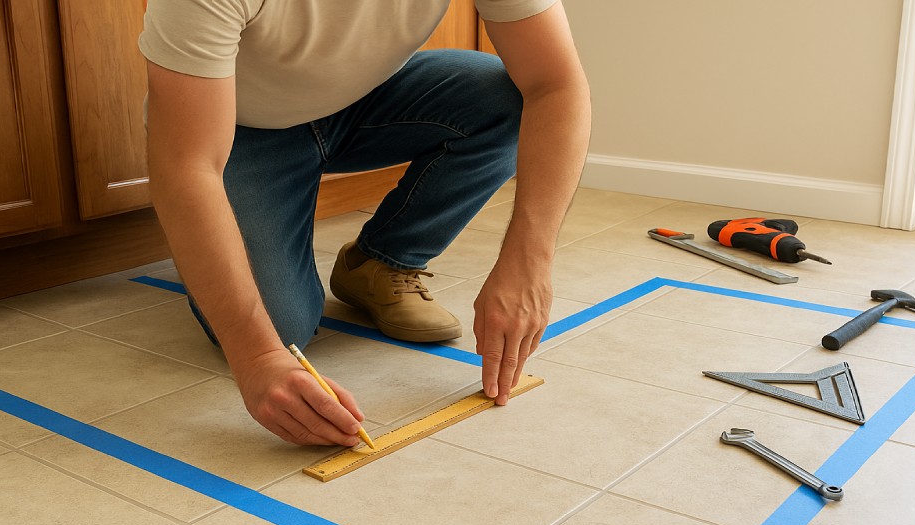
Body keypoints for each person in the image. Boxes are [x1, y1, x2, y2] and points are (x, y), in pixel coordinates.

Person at [140, 0, 590, 448]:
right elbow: (186, 165)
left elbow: (555, 85)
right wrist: (257, 357)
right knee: (278, 335)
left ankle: (378, 264)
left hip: (360, 102)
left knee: (501, 101)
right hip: (242, 128)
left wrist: (528, 264)